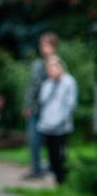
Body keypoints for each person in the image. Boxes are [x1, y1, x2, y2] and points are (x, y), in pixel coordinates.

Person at [22, 32, 60, 179]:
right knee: (33, 138)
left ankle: (53, 167)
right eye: (41, 44)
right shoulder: (37, 65)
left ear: (54, 46)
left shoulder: (57, 64)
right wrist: (27, 105)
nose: (43, 48)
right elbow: (31, 87)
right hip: (35, 108)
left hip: (50, 110)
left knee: (52, 140)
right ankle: (36, 168)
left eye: (46, 44)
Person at [37, 55, 77, 185]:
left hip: (61, 125)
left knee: (61, 154)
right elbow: (42, 101)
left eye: (53, 67)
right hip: (47, 124)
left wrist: (61, 119)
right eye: (48, 68)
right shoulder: (47, 83)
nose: (51, 71)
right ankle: (57, 179)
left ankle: (63, 179)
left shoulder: (68, 82)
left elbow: (70, 103)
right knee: (51, 154)